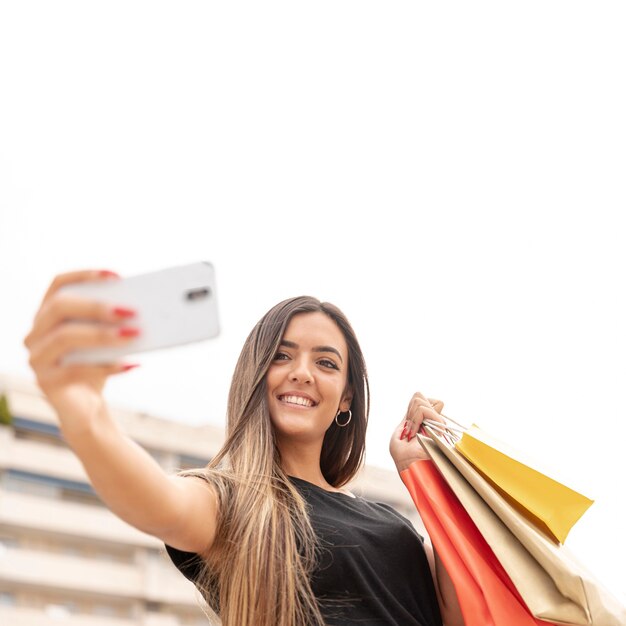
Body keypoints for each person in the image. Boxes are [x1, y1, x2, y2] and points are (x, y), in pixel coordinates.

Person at [24, 269, 465, 626]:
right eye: (281, 355)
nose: (303, 373)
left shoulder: (395, 525)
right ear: (257, 374)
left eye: (326, 363)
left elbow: (461, 615)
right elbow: (157, 502)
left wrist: (423, 474)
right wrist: (83, 414)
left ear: (346, 397)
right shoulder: (234, 501)